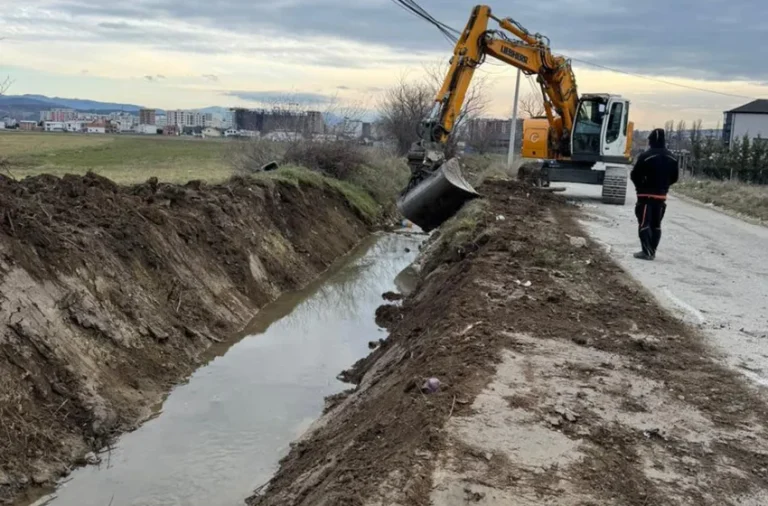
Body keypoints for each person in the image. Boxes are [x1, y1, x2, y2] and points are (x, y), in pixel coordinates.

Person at [629, 128, 679, 260]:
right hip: (661, 197)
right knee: (656, 225)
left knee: (644, 223)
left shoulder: (646, 157)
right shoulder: (672, 158)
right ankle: (652, 251)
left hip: (645, 196)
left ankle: (647, 252)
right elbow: (675, 178)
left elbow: (634, 175)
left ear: (650, 141)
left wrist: (640, 188)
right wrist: (664, 186)